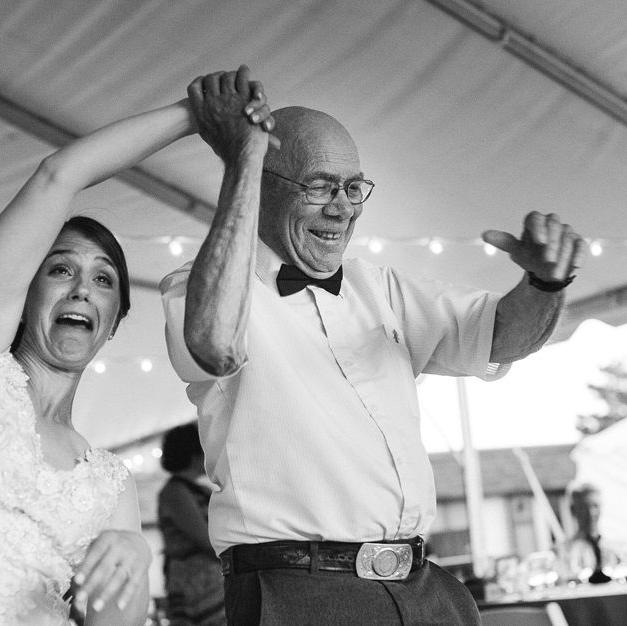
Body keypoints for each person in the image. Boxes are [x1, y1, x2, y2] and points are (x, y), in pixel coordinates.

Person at [160, 67, 586, 624]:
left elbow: (501, 335)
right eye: (319, 187)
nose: (343, 207)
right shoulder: (201, 289)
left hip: (424, 587)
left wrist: (545, 284)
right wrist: (241, 157)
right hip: (298, 592)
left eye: (353, 187)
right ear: (261, 183)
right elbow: (213, 344)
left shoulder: (382, 288)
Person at [0, 75, 274, 626]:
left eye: (103, 280)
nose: (81, 288)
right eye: (61, 269)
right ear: (23, 293)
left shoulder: (110, 483)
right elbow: (58, 175)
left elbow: (113, 621)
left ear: (113, 324)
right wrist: (196, 116)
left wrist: (130, 560)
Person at [157, 423, 225, 626]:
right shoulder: (175, 491)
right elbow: (205, 538)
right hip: (194, 582)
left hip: (210, 580)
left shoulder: (197, 489)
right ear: (194, 453)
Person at [561, 482, 618, 584]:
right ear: (573, 510)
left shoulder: (615, 549)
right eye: (584, 507)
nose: (591, 513)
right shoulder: (564, 552)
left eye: (595, 506)